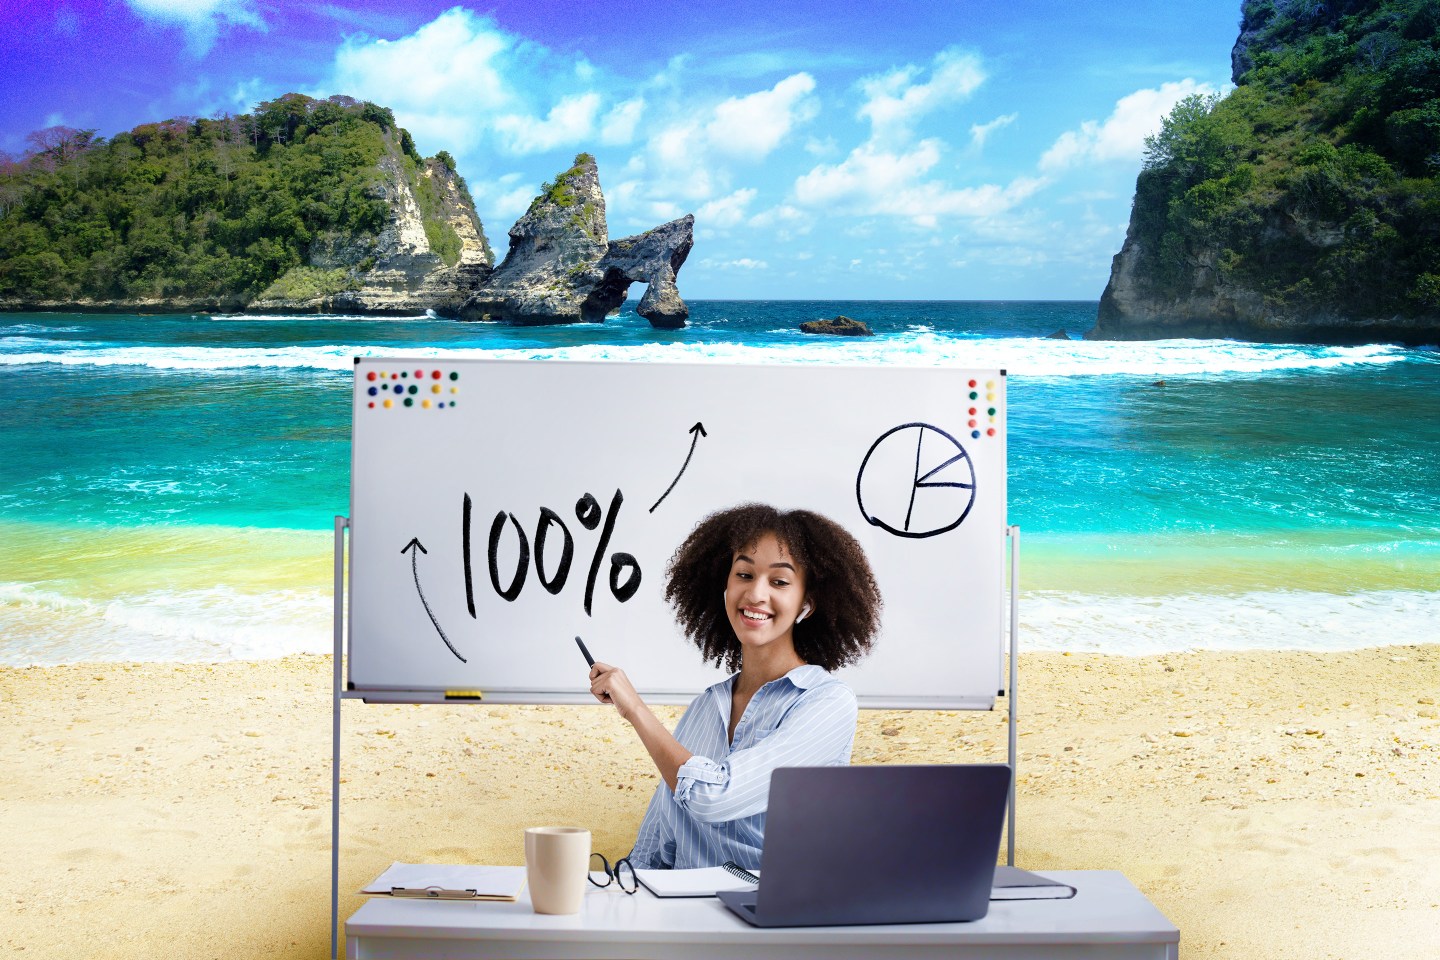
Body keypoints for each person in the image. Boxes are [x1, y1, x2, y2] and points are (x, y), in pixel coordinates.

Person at [588, 503, 882, 870]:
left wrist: (634, 709)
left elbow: (714, 798)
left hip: (770, 922)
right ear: (724, 586)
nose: (756, 594)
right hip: (683, 922)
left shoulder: (827, 704)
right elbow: (656, 845)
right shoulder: (706, 708)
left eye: (779, 581)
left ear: (806, 604)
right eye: (744, 574)